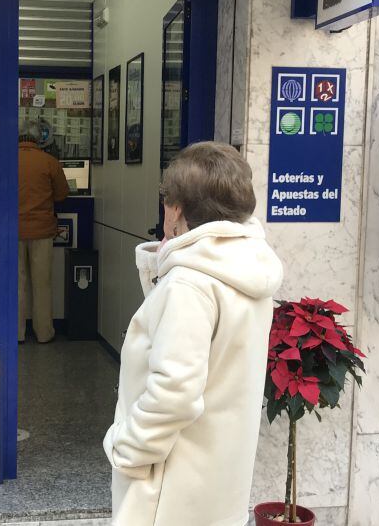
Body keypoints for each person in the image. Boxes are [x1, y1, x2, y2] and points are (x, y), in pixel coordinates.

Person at [102, 142, 283, 526]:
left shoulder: (191, 283)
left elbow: (175, 391)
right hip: (215, 478)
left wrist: (127, 448)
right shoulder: (244, 267)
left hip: (170, 487)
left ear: (177, 208)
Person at [17, 120, 69, 343]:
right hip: (42, 232)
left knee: (17, 284)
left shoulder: (7, 161)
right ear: (39, 139)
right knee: (42, 284)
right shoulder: (50, 162)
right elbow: (61, 195)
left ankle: (17, 333)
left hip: (14, 231)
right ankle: (44, 333)